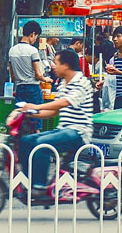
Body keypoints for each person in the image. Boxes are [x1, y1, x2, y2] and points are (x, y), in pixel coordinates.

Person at [11, 48, 94, 201]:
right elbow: (53, 112)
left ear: (66, 65)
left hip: (78, 133)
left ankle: (40, 187)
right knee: (26, 142)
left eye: (56, 63)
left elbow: (63, 102)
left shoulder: (81, 82)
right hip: (64, 129)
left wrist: (36, 107)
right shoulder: (63, 83)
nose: (53, 66)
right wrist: (27, 113)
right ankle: (31, 182)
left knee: (42, 144)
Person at [9, 21, 50, 127]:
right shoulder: (32, 51)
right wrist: (46, 79)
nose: (35, 39)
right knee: (36, 118)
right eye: (36, 36)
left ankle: (18, 141)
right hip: (33, 89)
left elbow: (12, 75)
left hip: (19, 88)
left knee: (19, 118)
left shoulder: (12, 51)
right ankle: (36, 141)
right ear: (32, 34)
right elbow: (38, 75)